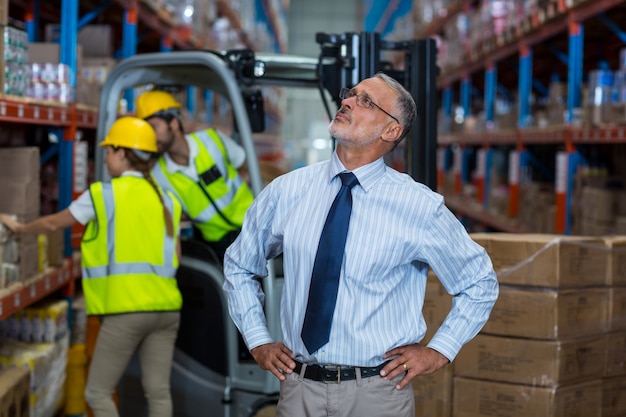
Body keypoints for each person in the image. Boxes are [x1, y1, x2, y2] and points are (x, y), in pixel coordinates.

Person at [223, 73, 499, 417]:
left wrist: (439, 350)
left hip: (376, 394)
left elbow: (479, 283)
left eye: (366, 101)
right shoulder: (286, 191)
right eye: (350, 95)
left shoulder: (418, 206)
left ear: (391, 131)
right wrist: (258, 339)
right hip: (297, 388)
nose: (348, 102)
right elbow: (239, 265)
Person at [0, 116, 183, 417]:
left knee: (96, 393)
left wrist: (18, 229)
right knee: (159, 392)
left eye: (109, 151)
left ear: (124, 153)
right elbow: (174, 254)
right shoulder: (168, 199)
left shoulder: (104, 194)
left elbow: (53, 223)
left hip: (128, 309)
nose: (106, 158)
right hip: (167, 310)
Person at [136, 90, 254, 261]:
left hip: (253, 227)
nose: (151, 137)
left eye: (154, 127)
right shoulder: (158, 176)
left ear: (174, 123)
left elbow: (252, 167)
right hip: (219, 248)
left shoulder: (212, 140)